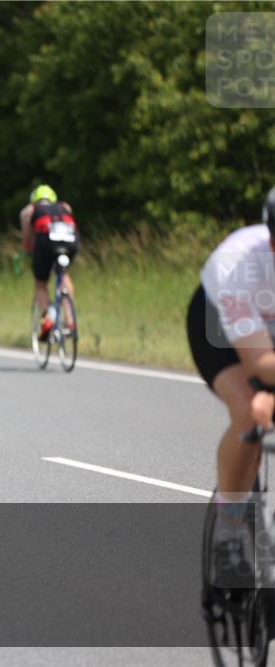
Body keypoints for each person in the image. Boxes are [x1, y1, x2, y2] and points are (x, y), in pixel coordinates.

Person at [188, 185, 275, 588]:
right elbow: (260, 364)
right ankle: (229, 526)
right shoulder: (238, 263)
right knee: (248, 406)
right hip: (217, 326)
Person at [19, 185, 79, 340]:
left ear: (34, 199)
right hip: (71, 242)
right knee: (63, 274)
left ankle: (48, 320)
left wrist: (30, 253)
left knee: (40, 283)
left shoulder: (29, 210)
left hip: (47, 241)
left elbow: (27, 242)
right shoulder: (64, 206)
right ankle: (70, 321)